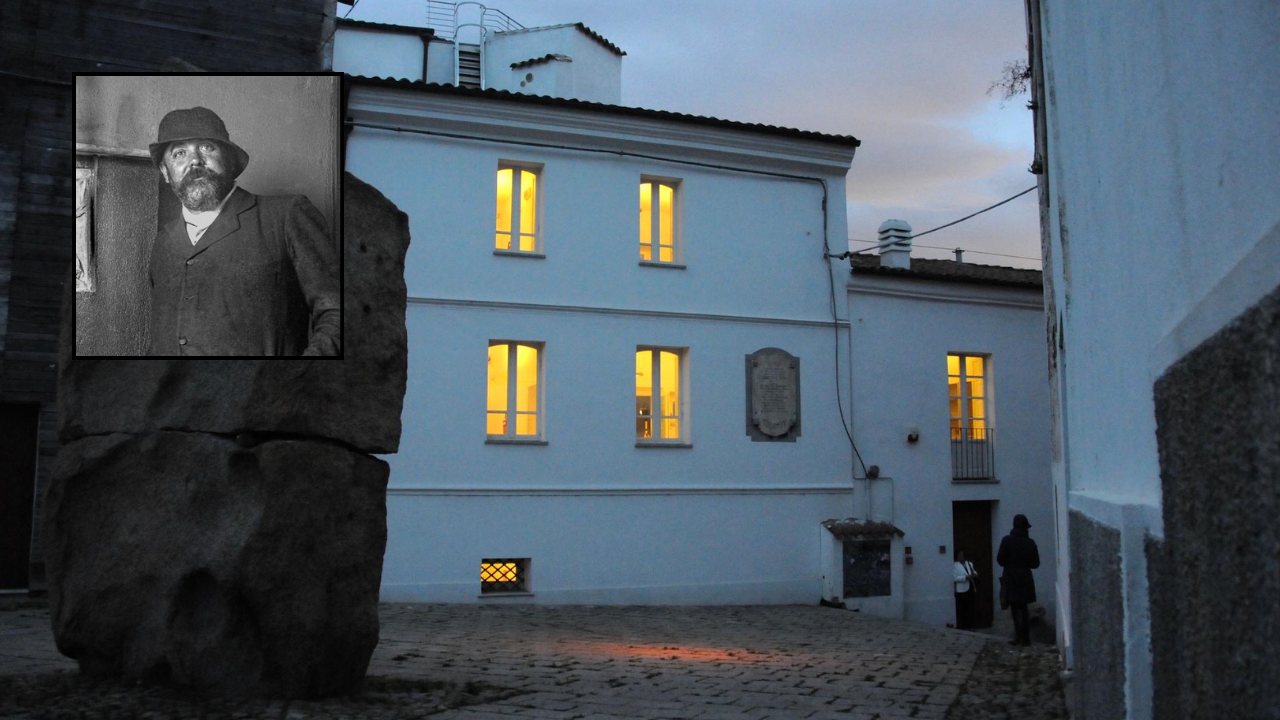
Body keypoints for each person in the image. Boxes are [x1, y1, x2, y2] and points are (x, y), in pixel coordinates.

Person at [146, 106, 340, 356]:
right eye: (180, 153)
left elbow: (337, 311)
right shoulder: (164, 240)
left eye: (206, 148)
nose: (195, 161)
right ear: (165, 172)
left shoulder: (285, 215)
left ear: (228, 159)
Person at [996, 513, 1040, 645]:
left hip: (1011, 577)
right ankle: (1025, 638)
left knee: (1015, 609)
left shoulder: (1007, 540)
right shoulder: (1030, 543)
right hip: (1025, 578)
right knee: (1024, 609)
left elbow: (1000, 560)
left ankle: (1018, 636)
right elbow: (1035, 564)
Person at [953, 549, 979, 630]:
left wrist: (975, 574)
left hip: (970, 587)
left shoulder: (969, 563)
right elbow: (955, 578)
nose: (961, 556)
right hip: (961, 590)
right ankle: (963, 625)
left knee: (970, 607)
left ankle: (971, 625)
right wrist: (965, 578)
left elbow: (974, 571)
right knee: (962, 608)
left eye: (962, 554)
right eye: (960, 555)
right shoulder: (955, 565)